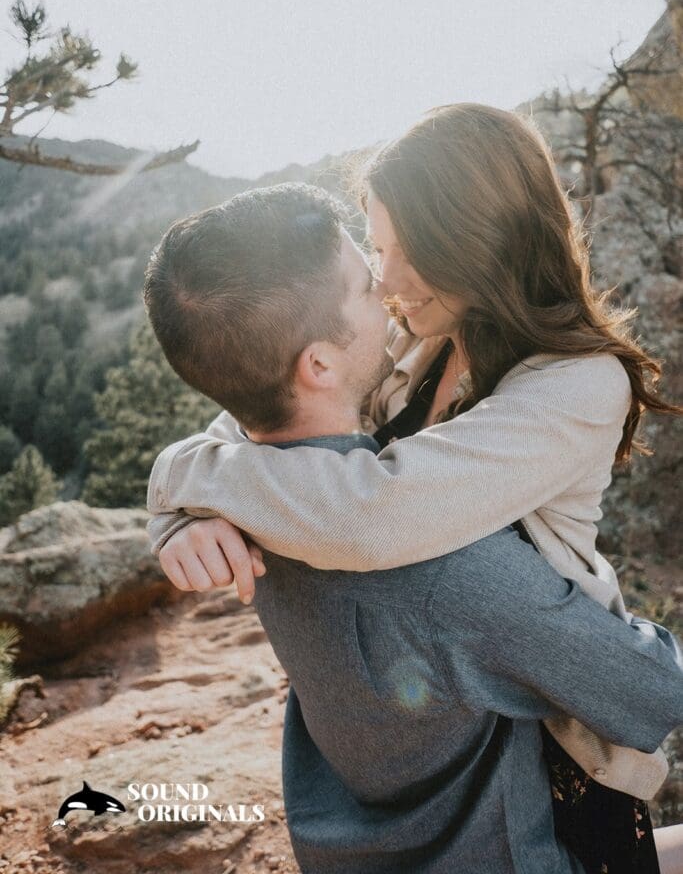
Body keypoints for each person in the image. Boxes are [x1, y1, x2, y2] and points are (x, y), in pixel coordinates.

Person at [143, 176, 682, 873]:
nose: (388, 291)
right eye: (365, 285)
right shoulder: (451, 572)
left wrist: (174, 487)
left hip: (347, 845)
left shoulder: (245, 514)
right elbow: (646, 692)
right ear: (318, 363)